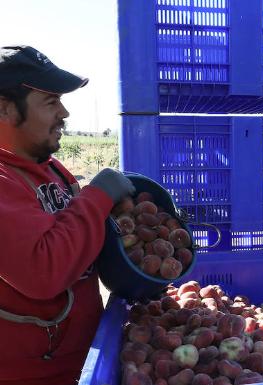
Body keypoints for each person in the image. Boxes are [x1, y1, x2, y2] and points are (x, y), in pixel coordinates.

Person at [0, 45, 135, 385]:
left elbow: (77, 240)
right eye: (50, 101)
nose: (64, 112)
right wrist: (98, 195)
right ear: (4, 109)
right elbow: (43, 269)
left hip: (85, 362)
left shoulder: (53, 170)